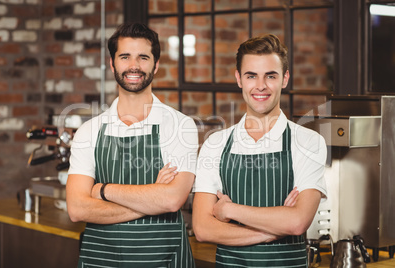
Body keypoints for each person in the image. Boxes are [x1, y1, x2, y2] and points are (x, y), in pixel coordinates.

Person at [66, 22, 198, 268]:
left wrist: (103, 191)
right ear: (112, 63)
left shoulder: (180, 126)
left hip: (166, 260)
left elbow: (171, 200)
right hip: (101, 260)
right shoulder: (89, 131)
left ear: (156, 65)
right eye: (125, 57)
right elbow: (77, 208)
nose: (134, 66)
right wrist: (151, 200)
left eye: (143, 57)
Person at [192, 34, 327, 267]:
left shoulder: (308, 141)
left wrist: (229, 210)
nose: (261, 86)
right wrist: (274, 230)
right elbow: (203, 229)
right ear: (239, 79)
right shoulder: (216, 144)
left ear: (285, 79)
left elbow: (297, 222)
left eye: (270, 76)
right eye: (251, 76)